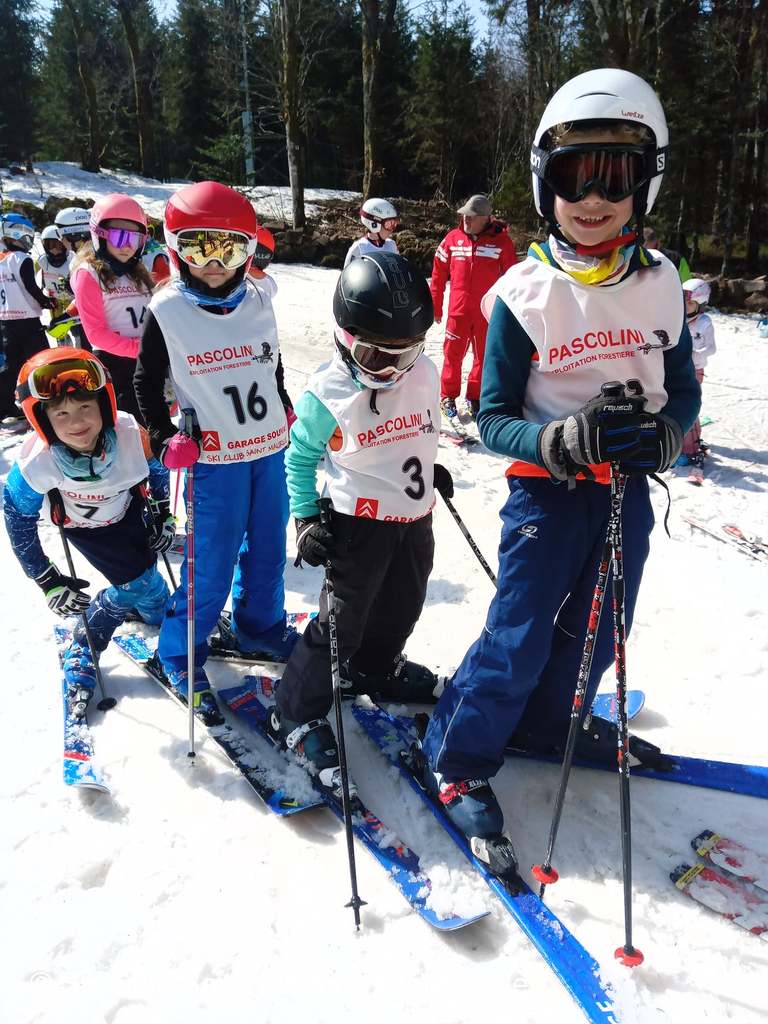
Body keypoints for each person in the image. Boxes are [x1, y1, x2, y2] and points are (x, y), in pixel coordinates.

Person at [419, 68, 701, 863]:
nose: (594, 196)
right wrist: (558, 441)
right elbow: (491, 417)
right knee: (518, 635)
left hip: (626, 492)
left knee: (600, 630)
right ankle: (458, 756)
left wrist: (666, 437)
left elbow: (683, 391)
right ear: (548, 181)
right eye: (576, 175)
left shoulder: (662, 282)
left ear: (647, 182)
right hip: (547, 495)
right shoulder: (524, 291)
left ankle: (550, 721)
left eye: (616, 175)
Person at [271, 251, 450, 798]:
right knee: (341, 623)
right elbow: (299, 459)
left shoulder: (423, 373)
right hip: (359, 523)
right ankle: (293, 710)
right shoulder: (329, 394)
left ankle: (373, 668)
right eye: (375, 356)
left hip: (414, 517)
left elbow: (416, 428)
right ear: (345, 339)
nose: (392, 370)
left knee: (403, 604)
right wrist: (306, 517)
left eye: (405, 353)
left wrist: (427, 465)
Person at [134, 180, 297, 720]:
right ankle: (180, 653)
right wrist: (163, 437)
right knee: (212, 561)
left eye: (228, 249)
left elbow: (270, 360)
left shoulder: (259, 297)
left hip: (267, 448)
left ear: (247, 251)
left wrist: (283, 401)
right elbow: (145, 380)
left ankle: (260, 625)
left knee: (269, 548)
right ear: (175, 248)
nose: (213, 263)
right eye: (198, 248)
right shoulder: (167, 308)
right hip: (214, 458)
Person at [3, 348, 171, 716]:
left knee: (153, 593)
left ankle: (152, 609)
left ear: (104, 405)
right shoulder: (36, 463)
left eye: (84, 408)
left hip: (130, 512)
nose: (77, 423)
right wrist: (47, 580)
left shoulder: (130, 434)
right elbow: (17, 518)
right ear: (42, 419)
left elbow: (157, 469)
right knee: (136, 583)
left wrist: (163, 513)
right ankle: (85, 643)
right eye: (61, 414)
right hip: (86, 530)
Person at [430, 194, 517, 423]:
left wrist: (509, 313)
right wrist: (435, 306)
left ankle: (475, 397)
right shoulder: (452, 239)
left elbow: (513, 280)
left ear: (485, 218)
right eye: (464, 215)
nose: (466, 220)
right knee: (452, 355)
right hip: (457, 312)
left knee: (483, 357)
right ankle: (447, 396)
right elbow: (438, 274)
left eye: (471, 216)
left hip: (486, 314)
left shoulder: (502, 243)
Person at [70, 194, 153, 422]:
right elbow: (96, 334)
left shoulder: (136, 271)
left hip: (146, 359)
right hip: (116, 364)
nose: (127, 246)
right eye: (119, 237)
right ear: (99, 235)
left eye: (135, 239)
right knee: (133, 425)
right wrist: (141, 349)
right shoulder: (88, 274)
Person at [0, 215, 56, 423]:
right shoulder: (22, 258)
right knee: (42, 361)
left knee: (11, 366)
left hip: (6, 320)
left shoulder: (2, 259)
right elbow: (29, 286)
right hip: (27, 321)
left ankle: (5, 406)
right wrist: (45, 301)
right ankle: (46, 400)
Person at [677, 278, 715, 466]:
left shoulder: (704, 323)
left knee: (688, 404)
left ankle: (691, 447)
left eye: (690, 303)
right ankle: (674, 442)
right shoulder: (676, 318)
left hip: (694, 370)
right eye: (683, 302)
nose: (686, 307)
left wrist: (696, 353)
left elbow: (711, 348)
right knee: (673, 403)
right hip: (676, 367)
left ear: (700, 304)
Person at [343, 198, 399, 267]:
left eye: (394, 224)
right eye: (389, 224)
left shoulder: (392, 245)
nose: (392, 229)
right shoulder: (359, 248)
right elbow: (347, 272)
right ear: (374, 224)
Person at [35, 225, 75, 322]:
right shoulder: (42, 262)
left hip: (71, 300)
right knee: (57, 325)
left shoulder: (72, 260)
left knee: (74, 325)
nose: (54, 250)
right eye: (50, 246)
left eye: (58, 245)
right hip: (55, 300)